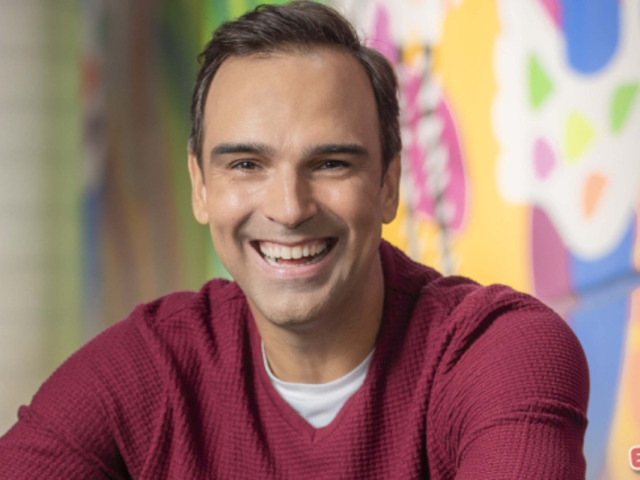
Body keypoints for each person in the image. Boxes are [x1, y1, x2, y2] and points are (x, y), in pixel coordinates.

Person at [0, 1, 589, 478]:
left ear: (388, 185)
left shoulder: (497, 352)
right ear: (200, 187)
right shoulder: (152, 367)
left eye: (331, 164)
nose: (288, 209)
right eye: (246, 165)